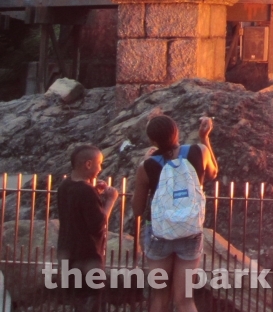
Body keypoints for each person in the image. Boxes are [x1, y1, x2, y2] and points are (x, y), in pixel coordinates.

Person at [132, 114, 218, 312]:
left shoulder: (147, 166)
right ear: (176, 132)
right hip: (190, 231)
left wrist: (147, 163)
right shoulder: (200, 151)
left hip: (158, 233)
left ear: (153, 141)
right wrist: (204, 138)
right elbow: (213, 173)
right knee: (185, 299)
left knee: (159, 297)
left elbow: (137, 209)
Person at [57, 145, 118, 310]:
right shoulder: (87, 191)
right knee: (90, 302)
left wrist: (95, 192)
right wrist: (110, 200)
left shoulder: (65, 186)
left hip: (68, 253)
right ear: (88, 164)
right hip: (88, 257)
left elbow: (77, 210)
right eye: (99, 164)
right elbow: (98, 225)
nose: (101, 168)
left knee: (76, 302)